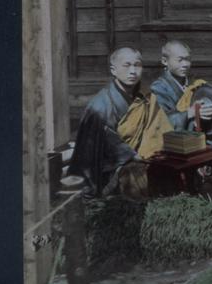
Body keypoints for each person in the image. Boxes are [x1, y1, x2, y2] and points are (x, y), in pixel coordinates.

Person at [67, 47, 172, 198]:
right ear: (113, 70)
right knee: (138, 177)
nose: (133, 71)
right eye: (126, 65)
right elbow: (106, 143)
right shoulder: (100, 106)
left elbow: (159, 127)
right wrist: (133, 155)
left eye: (137, 65)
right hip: (110, 167)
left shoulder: (145, 97)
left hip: (143, 156)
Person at [149, 40, 212, 137]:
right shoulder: (158, 88)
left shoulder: (194, 83)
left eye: (188, 59)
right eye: (180, 60)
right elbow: (160, 123)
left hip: (200, 136)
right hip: (174, 141)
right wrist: (190, 113)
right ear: (165, 61)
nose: (185, 64)